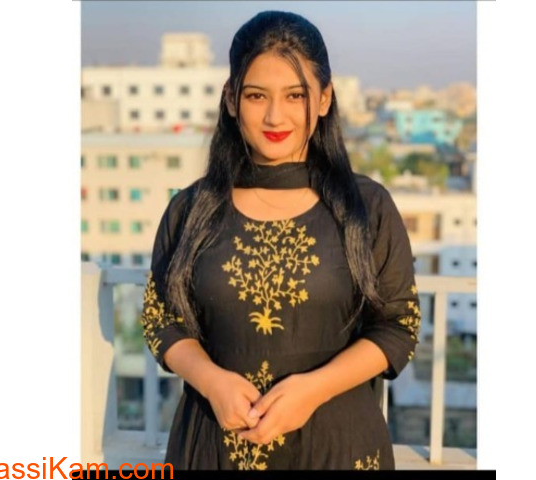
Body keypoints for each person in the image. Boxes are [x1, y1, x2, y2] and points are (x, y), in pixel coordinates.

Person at [140, 10, 421, 470]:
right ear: (231, 99)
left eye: (296, 95)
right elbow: (162, 320)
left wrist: (313, 390)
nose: (275, 116)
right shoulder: (192, 209)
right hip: (215, 444)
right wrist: (212, 382)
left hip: (338, 449)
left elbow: (398, 325)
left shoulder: (366, 207)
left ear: (325, 98)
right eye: (256, 95)